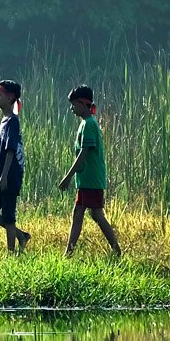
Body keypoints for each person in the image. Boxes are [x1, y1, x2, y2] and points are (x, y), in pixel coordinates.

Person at [57, 85, 121, 258]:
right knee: (81, 213)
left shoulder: (89, 124)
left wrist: (68, 177)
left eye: (73, 104)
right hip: (86, 179)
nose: (72, 108)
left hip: (91, 179)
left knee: (95, 214)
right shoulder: (85, 123)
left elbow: (84, 153)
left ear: (82, 104)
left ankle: (116, 250)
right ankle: (69, 253)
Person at [0, 80, 31, 252]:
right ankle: (21, 235)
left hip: (9, 175)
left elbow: (11, 150)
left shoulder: (12, 121)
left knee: (9, 215)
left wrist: (3, 177)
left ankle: (12, 251)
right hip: (0, 175)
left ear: (10, 98)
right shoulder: (4, 120)